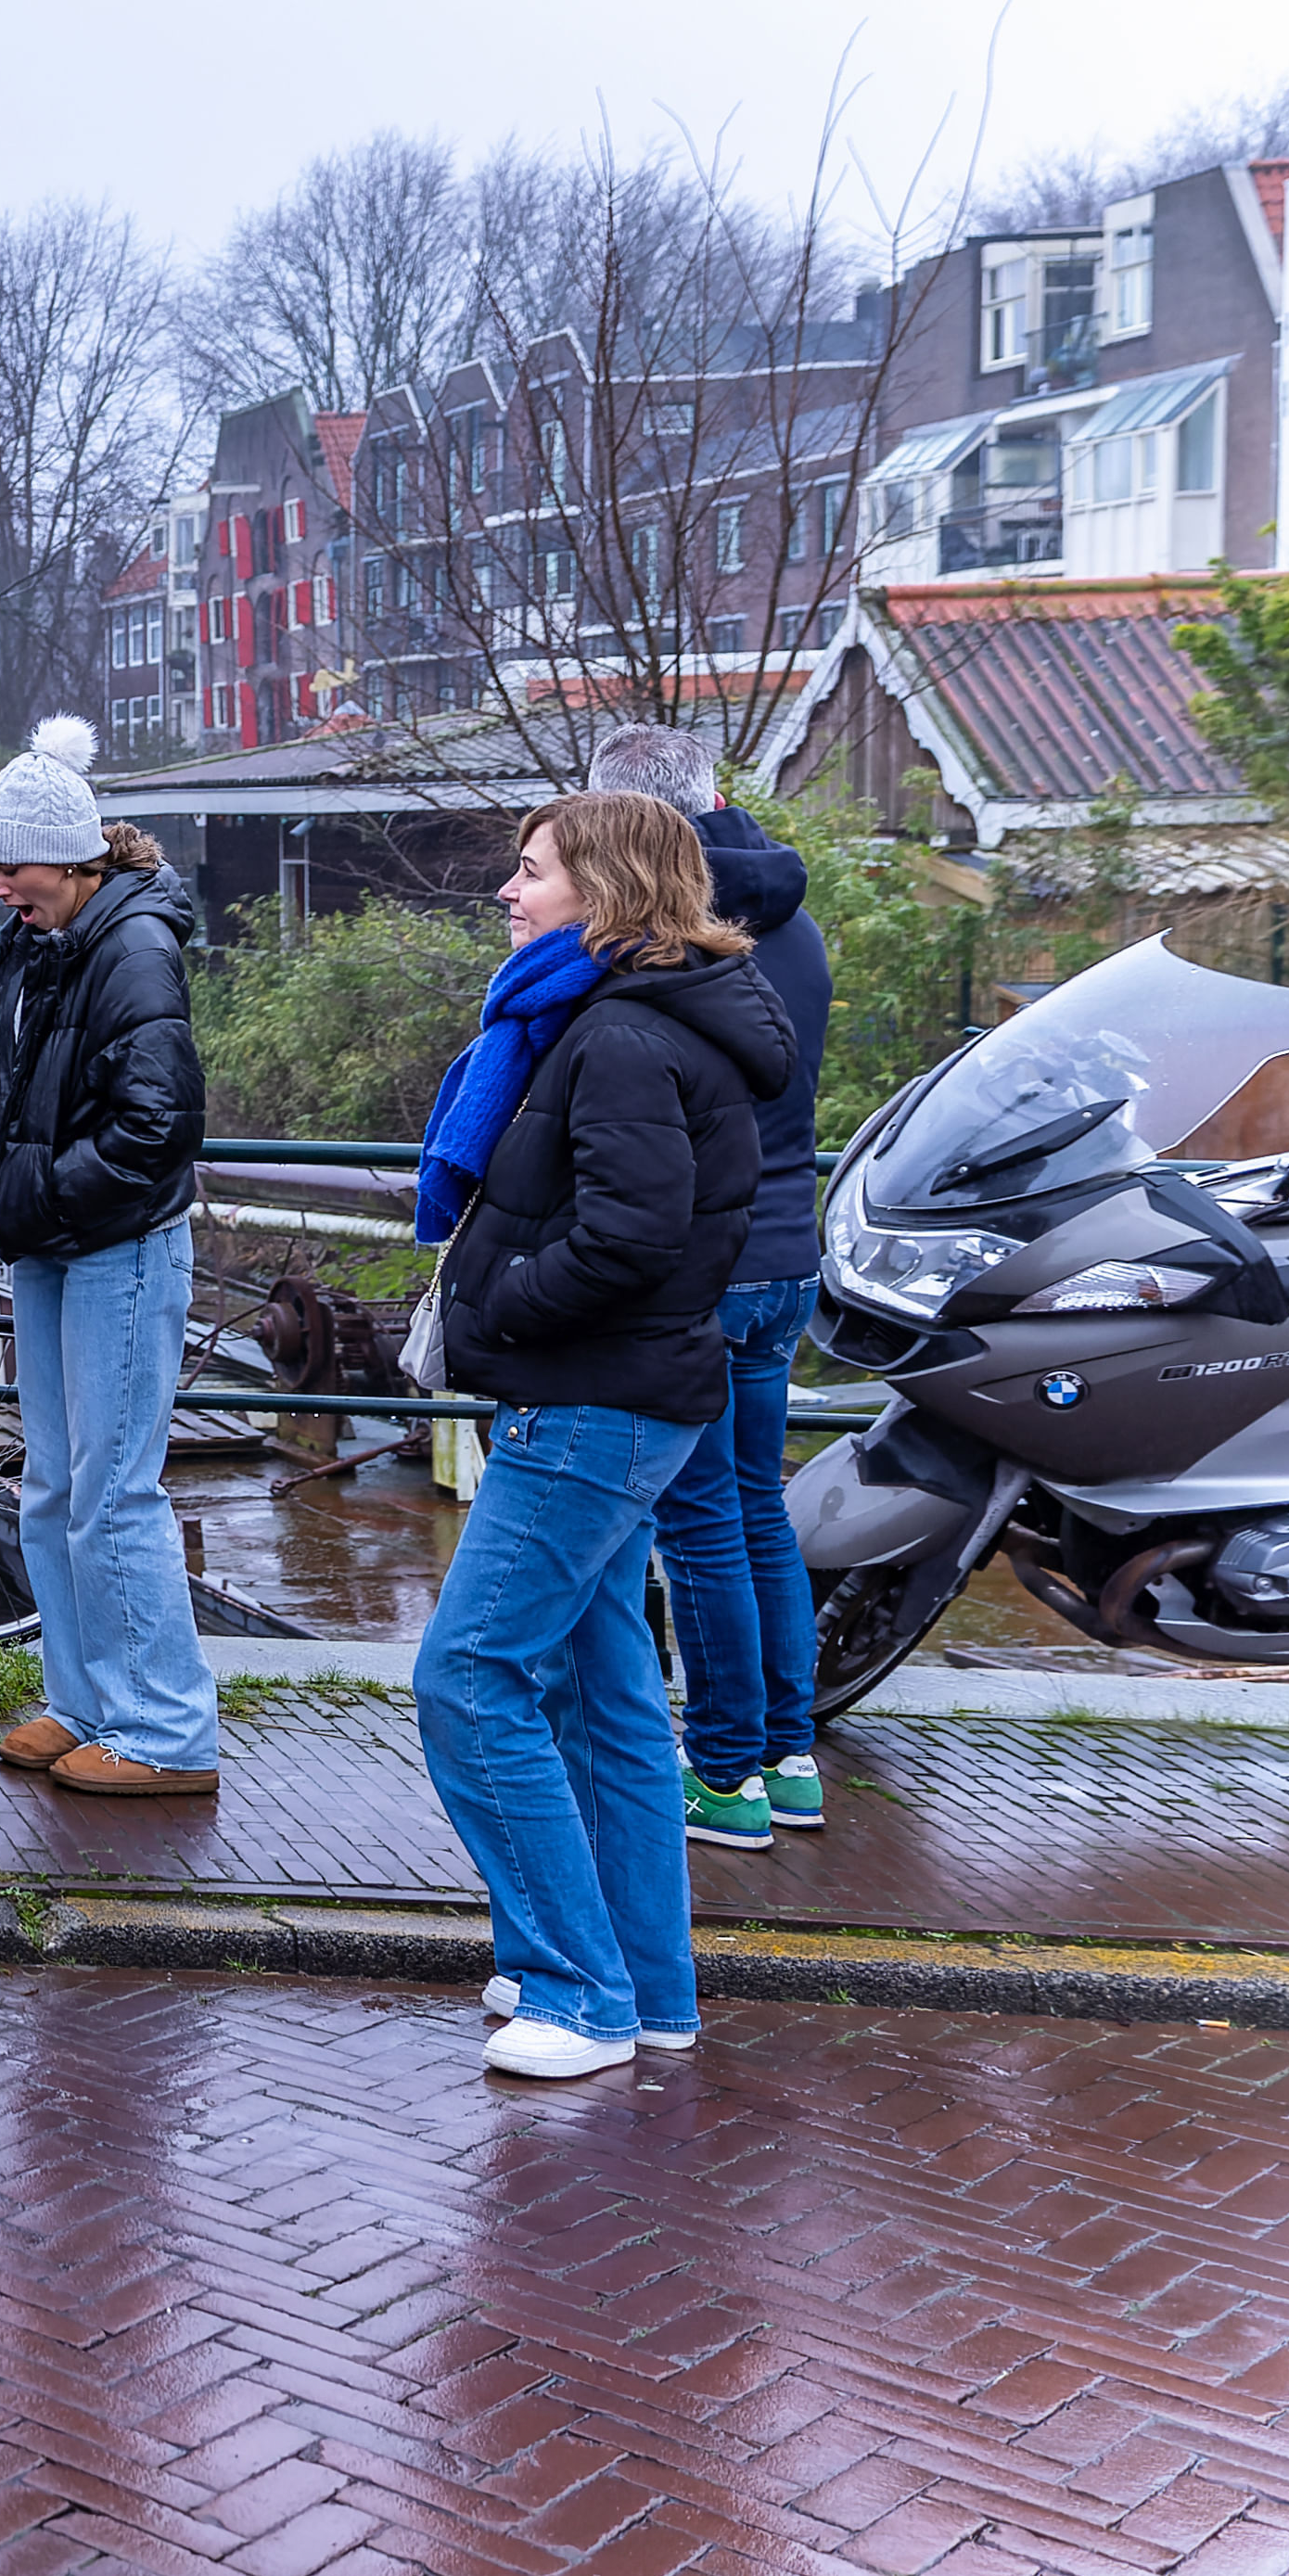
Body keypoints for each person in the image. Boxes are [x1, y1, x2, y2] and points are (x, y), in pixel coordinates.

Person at [410, 789, 790, 2080]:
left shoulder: (620, 1034)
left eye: (530, 872)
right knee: (606, 1698)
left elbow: (630, 1235)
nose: (509, 894)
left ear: (606, 886)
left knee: (465, 1679)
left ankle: (576, 1989)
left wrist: (500, 1305)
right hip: (628, 1397)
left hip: (589, 1400)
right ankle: (645, 1983)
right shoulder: (636, 1015)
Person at [0, 719, 225, 1798]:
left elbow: (159, 1127)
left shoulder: (134, 950)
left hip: (112, 1248)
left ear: (73, 858)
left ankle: (163, 1730)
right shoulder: (35, 942)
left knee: (112, 1490)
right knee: (56, 1488)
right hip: (56, 1244)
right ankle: (86, 1700)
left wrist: (31, 1191)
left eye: (12, 867)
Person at [583, 723, 836, 1851]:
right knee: (755, 1510)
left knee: (695, 1528)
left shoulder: (664, 935)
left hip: (707, 1262)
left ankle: (723, 1773)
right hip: (788, 1255)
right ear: (716, 793)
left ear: (621, 821)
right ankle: (789, 1760)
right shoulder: (802, 927)